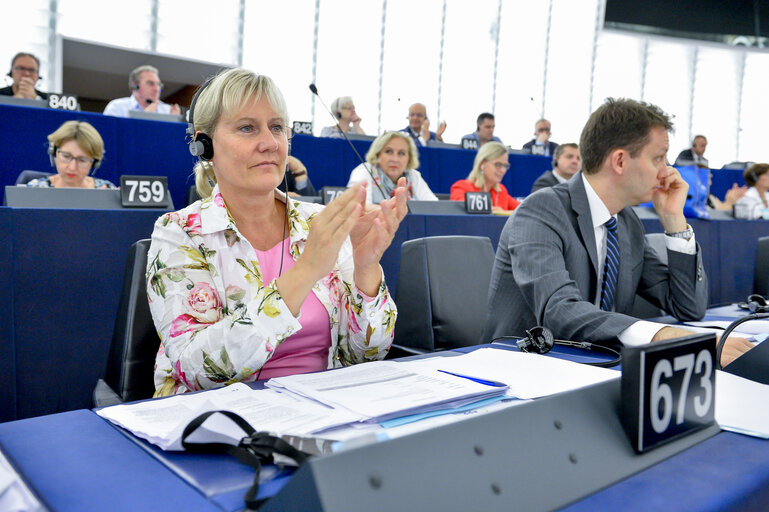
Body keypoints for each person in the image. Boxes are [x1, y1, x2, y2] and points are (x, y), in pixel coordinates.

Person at [146, 68, 408, 396]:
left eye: (276, 128)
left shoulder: (319, 223)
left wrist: (366, 268)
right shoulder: (180, 233)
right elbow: (197, 371)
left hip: (322, 414)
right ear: (204, 144)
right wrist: (306, 271)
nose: (270, 144)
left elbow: (367, 354)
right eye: (247, 128)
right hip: (223, 424)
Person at [483, 98, 752, 367]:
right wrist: (663, 335)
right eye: (658, 158)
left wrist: (674, 221)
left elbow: (688, 307)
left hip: (599, 368)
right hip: (523, 371)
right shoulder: (541, 210)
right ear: (620, 161)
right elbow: (559, 311)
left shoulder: (626, 222)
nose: (667, 172)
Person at [346, 131, 438, 204]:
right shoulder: (364, 171)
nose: (395, 159)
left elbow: (433, 206)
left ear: (409, 158)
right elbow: (359, 208)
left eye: (401, 153)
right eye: (389, 151)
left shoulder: (413, 175)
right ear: (378, 154)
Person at [23, 120, 116, 189]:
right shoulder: (34, 189)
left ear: (95, 163)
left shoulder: (107, 190)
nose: (72, 167)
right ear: (53, 153)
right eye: (66, 156)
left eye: (82, 160)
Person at [449, 141, 519, 213]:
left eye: (505, 166)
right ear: (482, 164)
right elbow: (464, 210)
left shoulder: (501, 191)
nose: (503, 170)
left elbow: (524, 210)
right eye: (498, 164)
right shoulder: (462, 187)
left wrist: (504, 212)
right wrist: (502, 212)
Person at [103, 65, 181, 118]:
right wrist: (146, 115)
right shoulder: (117, 107)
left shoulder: (167, 111)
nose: (157, 89)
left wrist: (175, 122)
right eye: (150, 83)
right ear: (135, 86)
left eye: (158, 85)